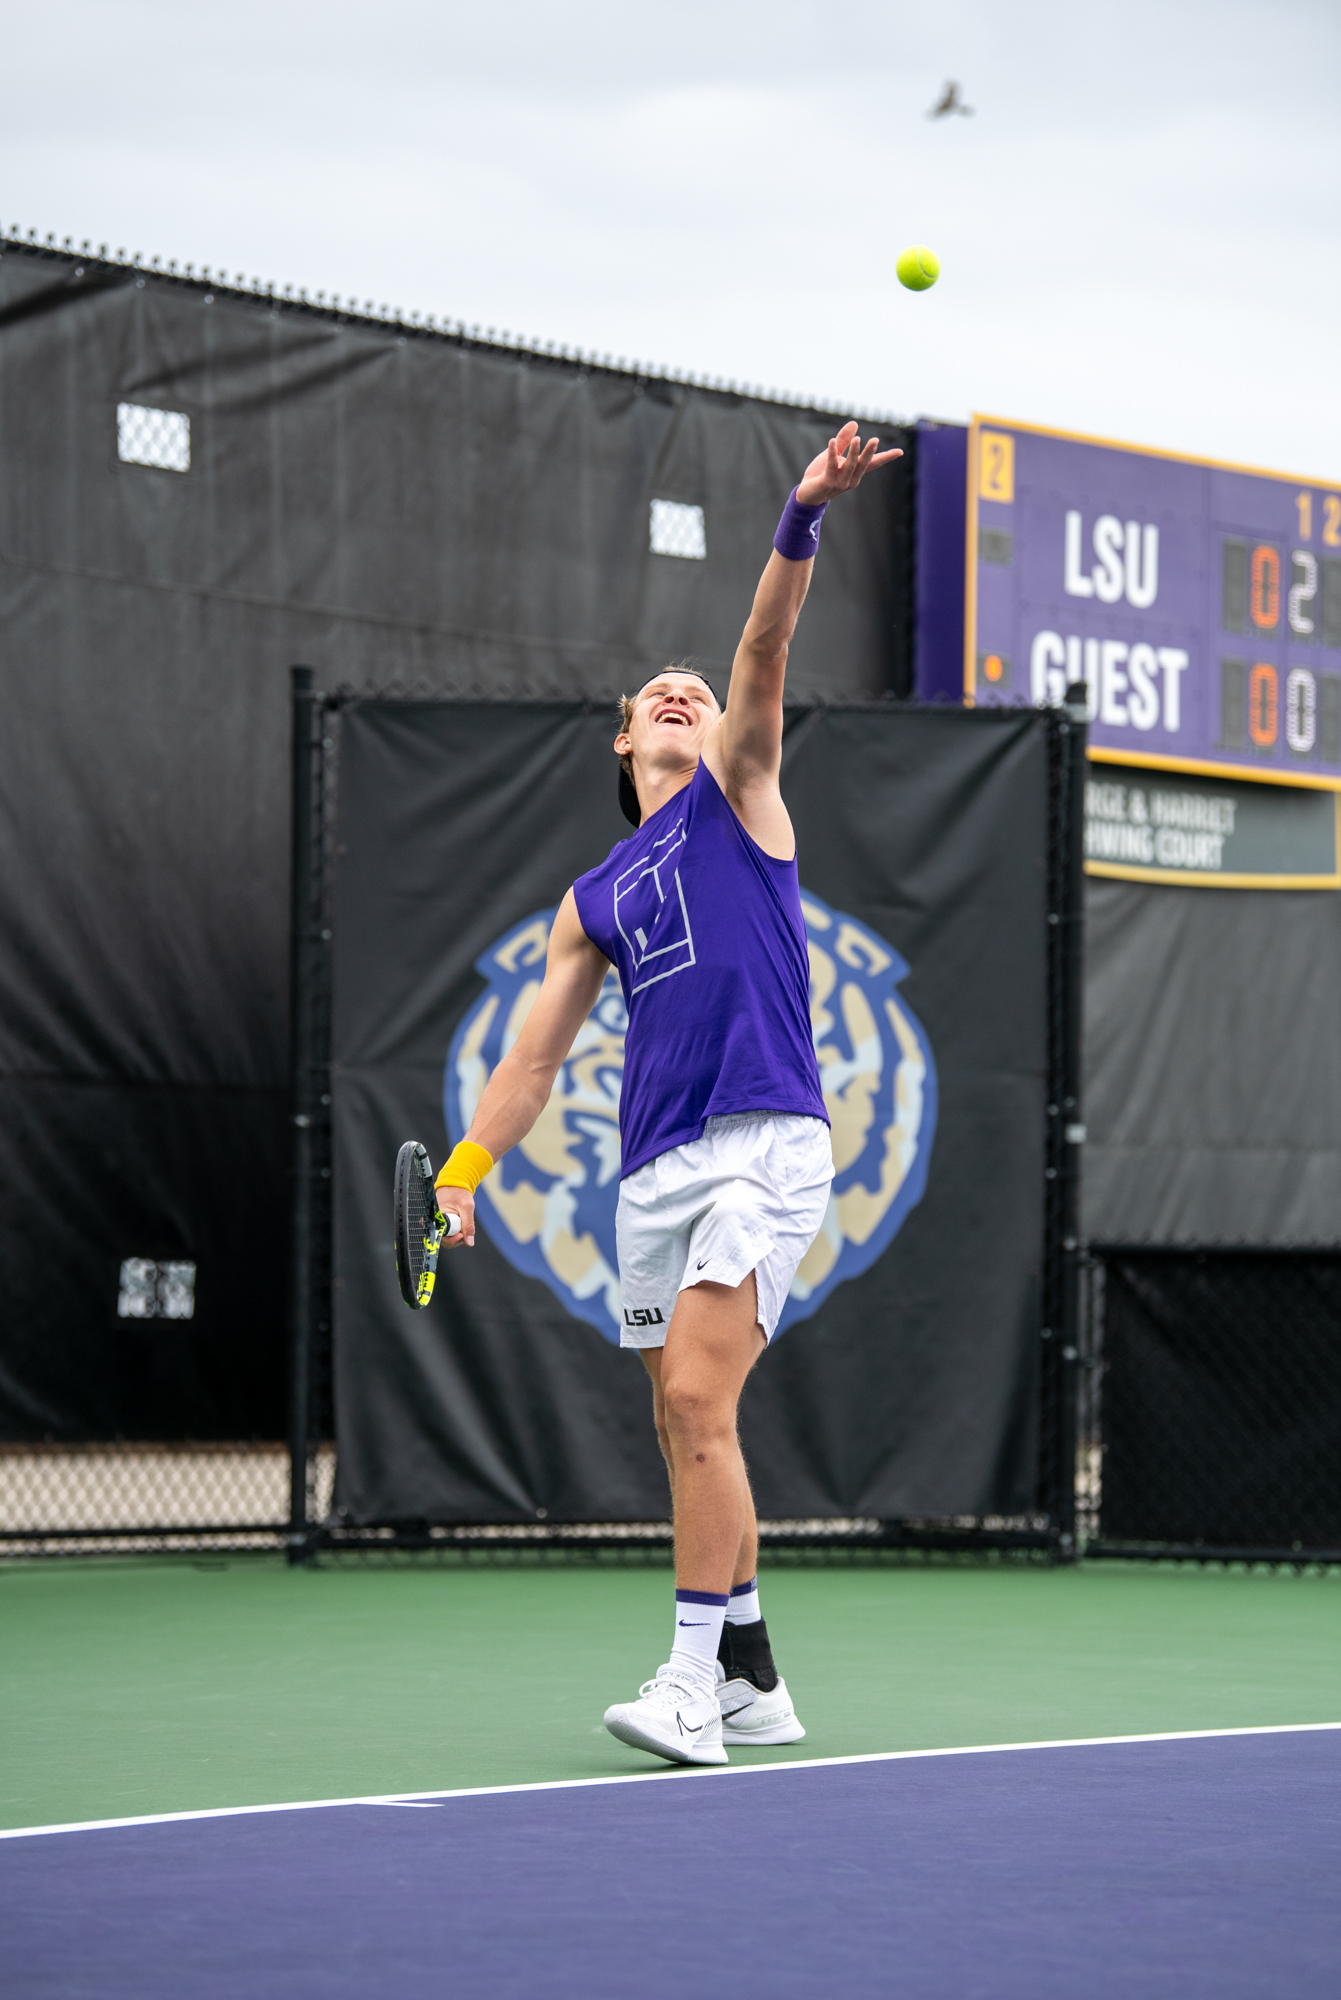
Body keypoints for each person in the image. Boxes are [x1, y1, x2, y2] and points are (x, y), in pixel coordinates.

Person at [433, 420, 902, 1765]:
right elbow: (528, 1063)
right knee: (681, 1418)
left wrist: (799, 514)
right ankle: (752, 1669)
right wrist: (461, 1178)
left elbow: (758, 654)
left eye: (695, 689)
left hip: (764, 1145)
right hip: (648, 1171)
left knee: (697, 1405)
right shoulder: (592, 899)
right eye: (658, 691)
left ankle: (692, 1687)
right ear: (624, 738)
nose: (684, 691)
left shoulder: (741, 800)